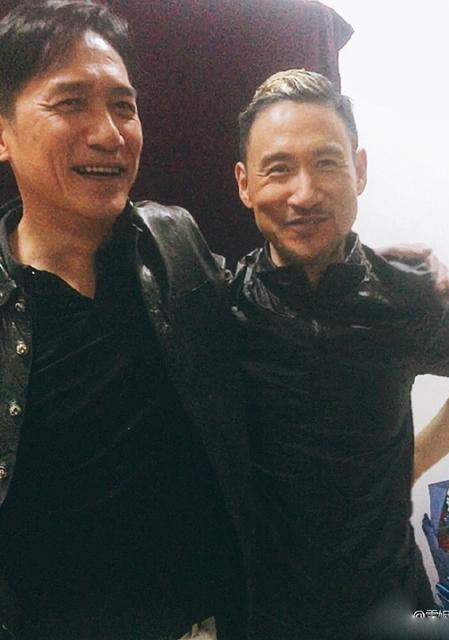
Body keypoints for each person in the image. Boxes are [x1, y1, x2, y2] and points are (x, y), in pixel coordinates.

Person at [0, 2, 252, 639]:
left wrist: (352, 260)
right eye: (71, 102)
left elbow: (274, 309)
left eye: (123, 105)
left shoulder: (175, 245)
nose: (110, 134)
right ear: (3, 133)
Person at [232, 69, 449, 639]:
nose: (304, 193)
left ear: (359, 170)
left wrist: (416, 458)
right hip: (265, 612)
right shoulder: (218, 304)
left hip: (390, 601)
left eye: (326, 162)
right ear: (244, 184)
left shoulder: (408, 294)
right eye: (278, 169)